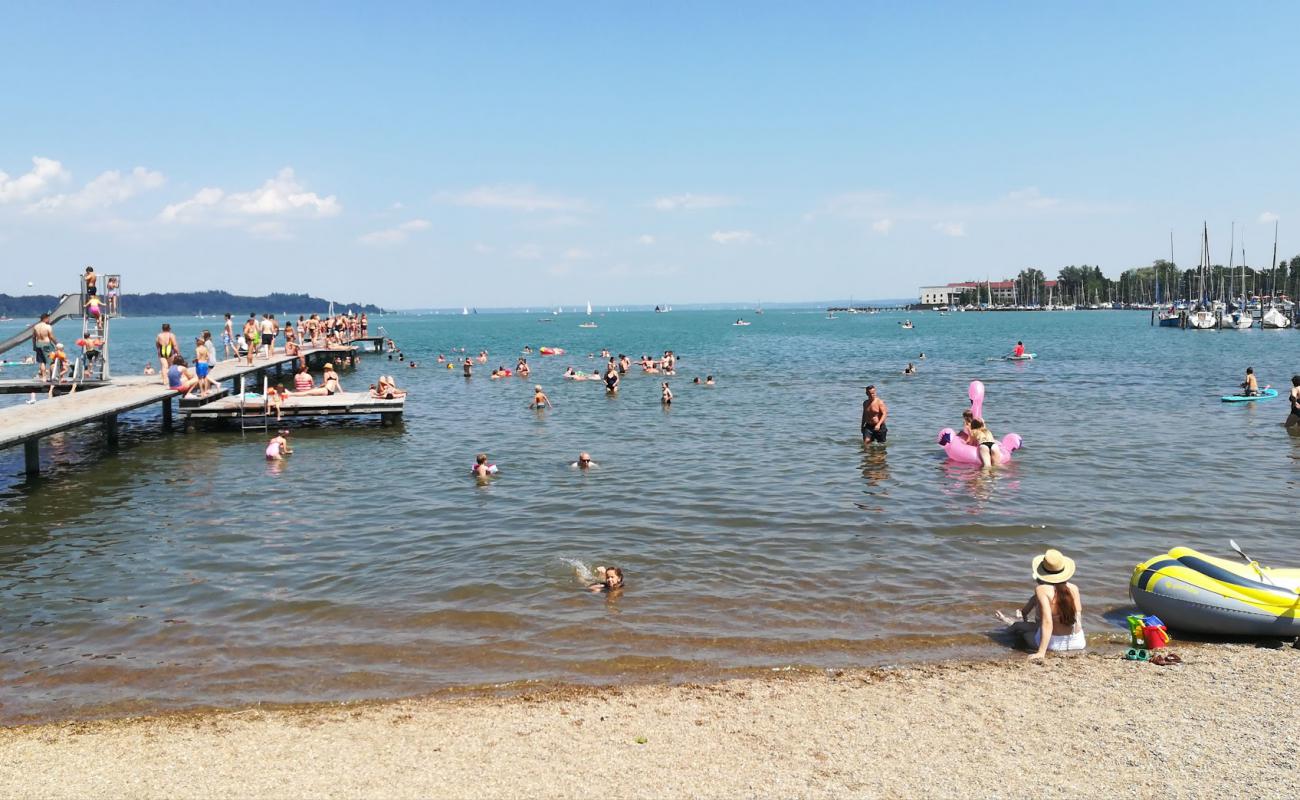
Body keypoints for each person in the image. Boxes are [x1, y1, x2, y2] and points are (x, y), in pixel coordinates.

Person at [994, 549, 1085, 660]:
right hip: (1078, 642)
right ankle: (1008, 622)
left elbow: (1047, 621)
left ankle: (1004, 627)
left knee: (1023, 633)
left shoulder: (1042, 589)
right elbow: (1078, 619)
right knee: (1030, 628)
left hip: (1054, 645)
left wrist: (1041, 652)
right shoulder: (1074, 588)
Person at [32, 312, 57, 382]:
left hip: (38, 344)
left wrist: (34, 346)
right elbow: (51, 336)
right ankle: (52, 377)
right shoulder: (48, 326)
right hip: (46, 345)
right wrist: (57, 343)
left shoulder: (35, 326)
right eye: (48, 318)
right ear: (45, 318)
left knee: (42, 361)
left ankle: (44, 377)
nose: (49, 320)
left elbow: (33, 337)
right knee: (52, 361)